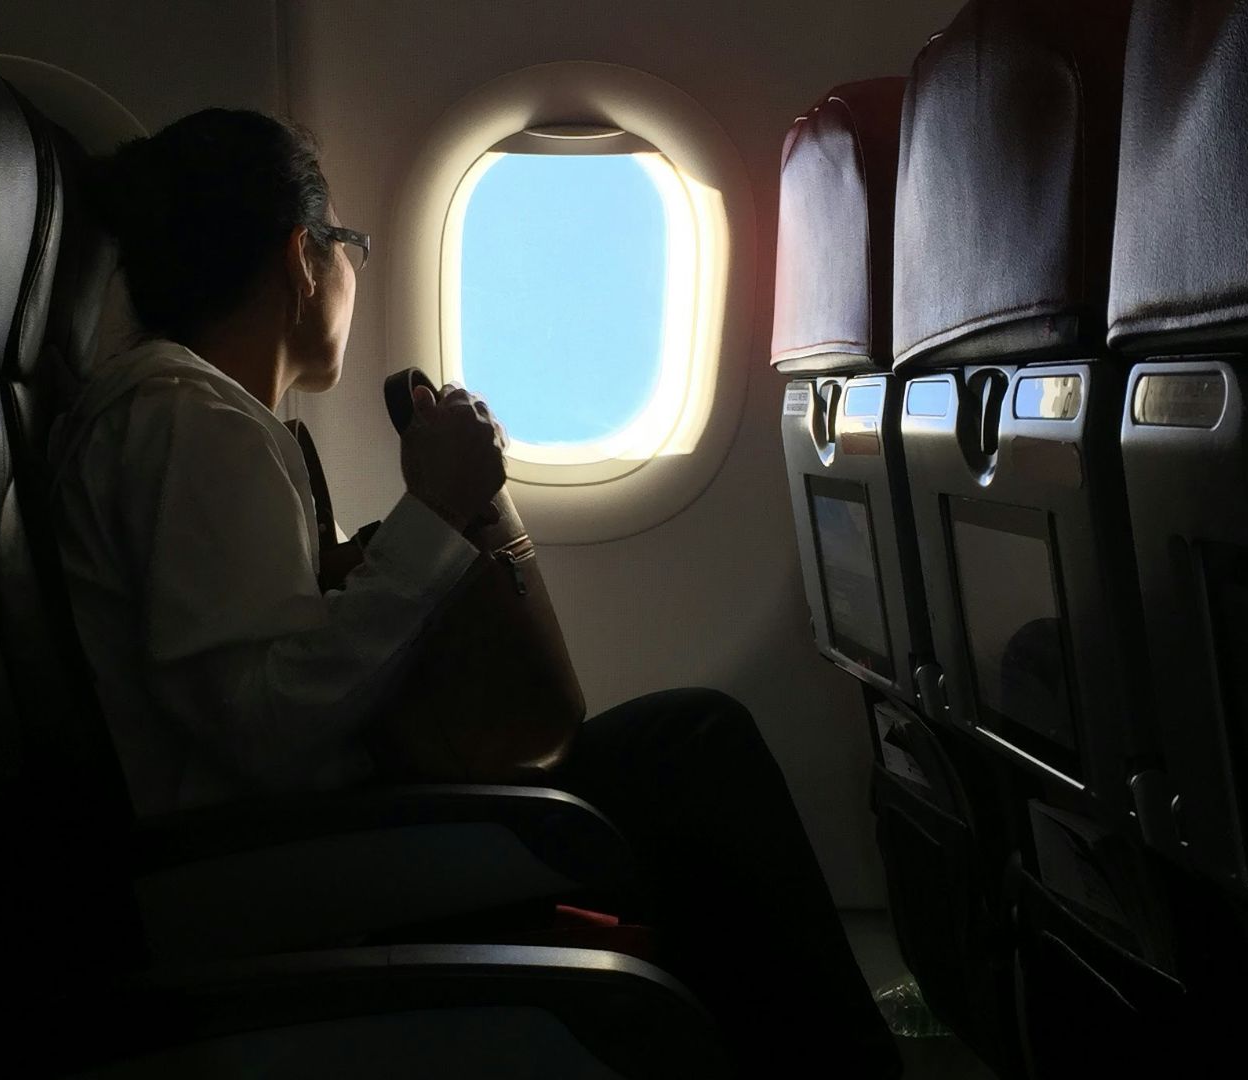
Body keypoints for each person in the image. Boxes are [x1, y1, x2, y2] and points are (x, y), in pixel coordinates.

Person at [51, 108, 899, 1078]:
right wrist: (436, 513)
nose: (354, 272)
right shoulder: (188, 418)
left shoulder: (209, 422)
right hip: (258, 869)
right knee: (692, 751)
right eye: (350, 245)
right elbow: (262, 726)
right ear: (300, 258)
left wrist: (395, 550)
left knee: (679, 771)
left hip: (290, 842)